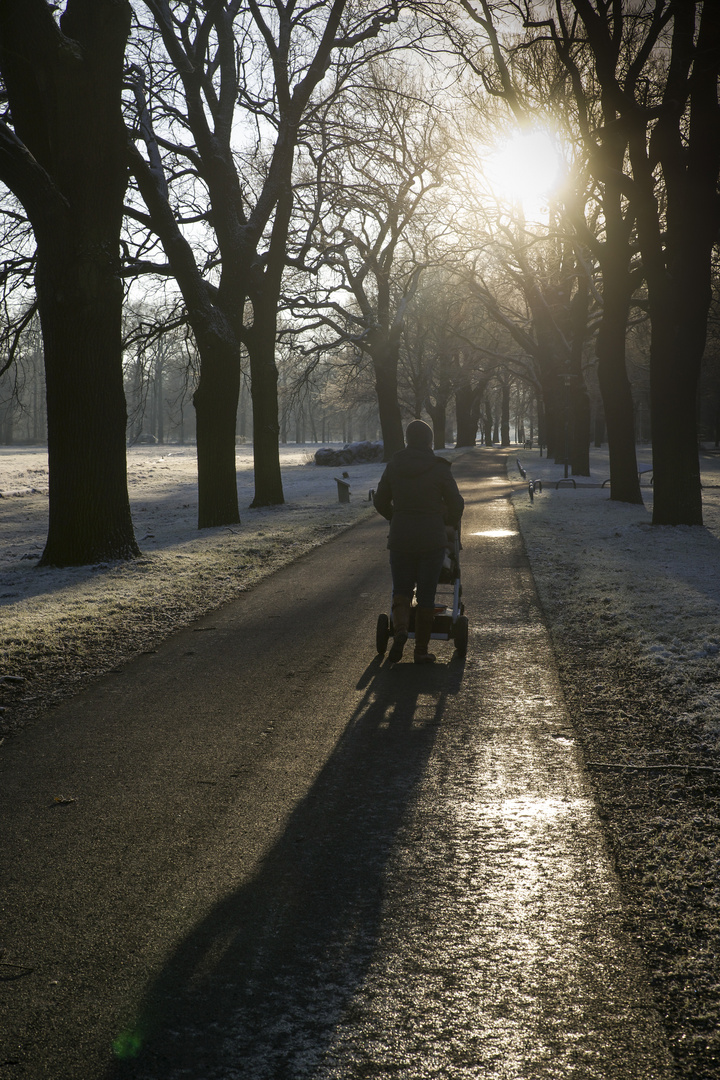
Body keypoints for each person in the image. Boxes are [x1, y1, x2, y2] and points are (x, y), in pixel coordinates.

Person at [373, 420, 464, 664]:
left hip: (401, 538)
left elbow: (380, 501)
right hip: (431, 539)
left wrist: (396, 518)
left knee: (402, 590)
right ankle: (421, 651)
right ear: (429, 441)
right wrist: (449, 523)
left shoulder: (393, 466)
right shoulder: (439, 468)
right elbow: (456, 503)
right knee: (426, 595)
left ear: (407, 440)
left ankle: (401, 630)